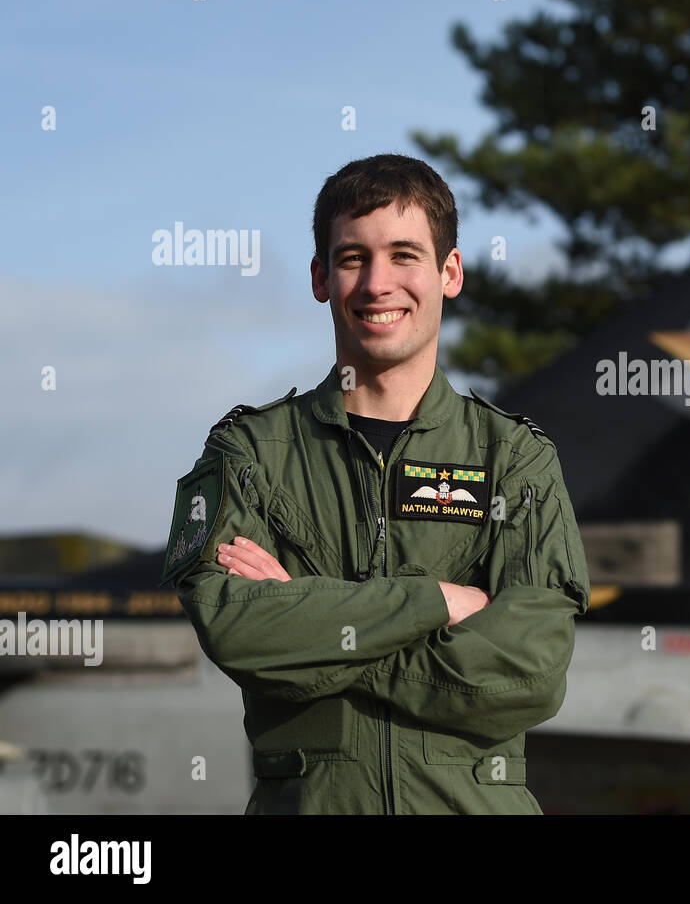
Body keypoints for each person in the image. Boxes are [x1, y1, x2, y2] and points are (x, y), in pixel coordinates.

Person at [159, 153, 590, 814]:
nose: (377, 283)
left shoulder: (515, 459)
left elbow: (529, 671)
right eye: (353, 258)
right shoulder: (250, 452)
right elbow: (238, 629)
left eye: (405, 255)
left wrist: (316, 624)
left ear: (450, 273)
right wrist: (437, 604)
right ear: (320, 278)